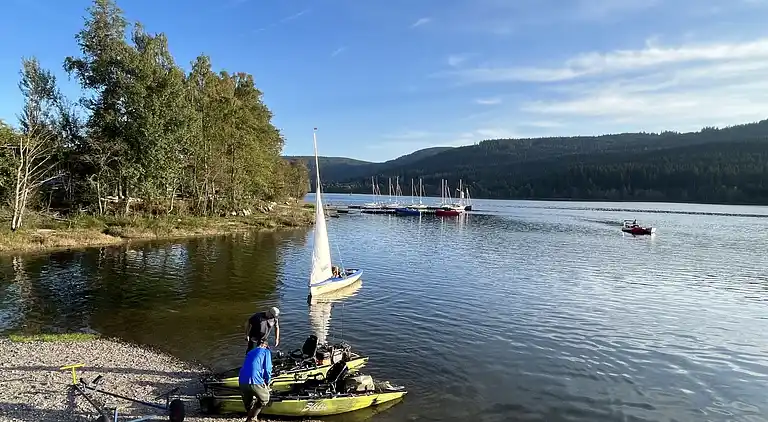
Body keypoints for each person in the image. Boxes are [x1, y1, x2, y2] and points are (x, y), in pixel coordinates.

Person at [239, 339, 272, 422]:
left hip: (241, 380)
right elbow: (268, 369)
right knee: (264, 398)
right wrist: (267, 382)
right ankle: (251, 418)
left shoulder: (250, 352)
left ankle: (252, 417)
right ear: (266, 346)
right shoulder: (266, 352)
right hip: (254, 380)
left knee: (248, 403)